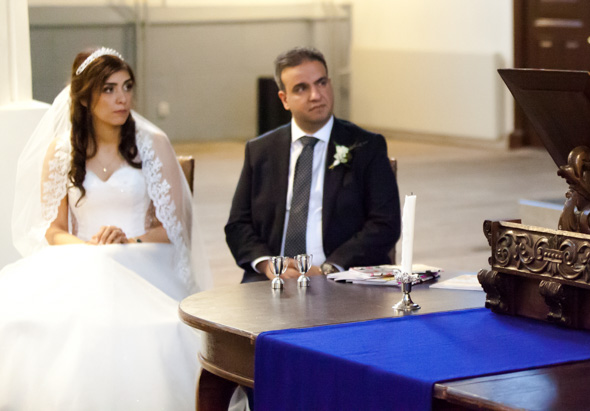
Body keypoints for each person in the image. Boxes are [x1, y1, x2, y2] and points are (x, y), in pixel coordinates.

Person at [0, 47, 211, 410]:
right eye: (109, 89)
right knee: (24, 317)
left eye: (127, 87)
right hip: (80, 259)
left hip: (144, 258)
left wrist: (127, 240)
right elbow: (53, 230)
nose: (122, 98)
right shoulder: (61, 151)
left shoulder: (153, 145)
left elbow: (174, 229)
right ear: (85, 97)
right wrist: (88, 248)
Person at [226, 46, 401, 282]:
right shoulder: (260, 151)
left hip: (342, 280)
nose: (316, 95)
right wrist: (267, 264)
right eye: (301, 88)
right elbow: (238, 225)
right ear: (284, 99)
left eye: (321, 83)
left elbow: (385, 223)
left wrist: (329, 269)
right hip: (272, 281)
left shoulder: (366, 146)